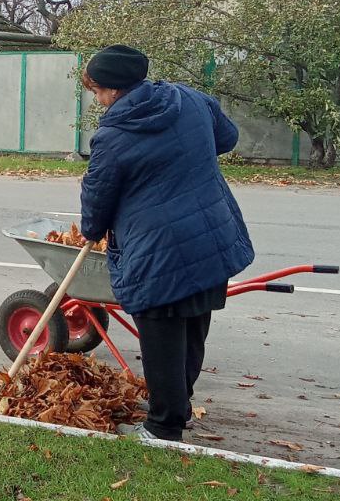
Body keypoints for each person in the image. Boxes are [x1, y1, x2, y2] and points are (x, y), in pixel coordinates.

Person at [77, 44, 254, 442]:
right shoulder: (189, 98)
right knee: (192, 326)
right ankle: (177, 406)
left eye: (99, 91)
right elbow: (226, 138)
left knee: (161, 338)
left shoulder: (113, 135)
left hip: (158, 250)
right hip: (211, 236)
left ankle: (162, 428)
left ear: (115, 90)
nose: (98, 99)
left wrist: (92, 230)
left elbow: (97, 199)